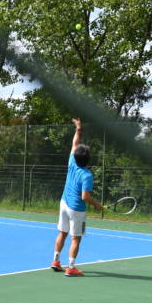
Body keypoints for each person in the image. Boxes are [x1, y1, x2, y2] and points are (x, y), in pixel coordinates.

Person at [52, 118, 103, 277]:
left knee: (62, 233)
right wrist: (98, 205)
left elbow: (75, 143)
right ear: (88, 159)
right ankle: (71, 267)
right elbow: (85, 196)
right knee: (76, 239)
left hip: (63, 204)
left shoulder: (71, 161)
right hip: (77, 210)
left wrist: (78, 128)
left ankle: (56, 261)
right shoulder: (87, 175)